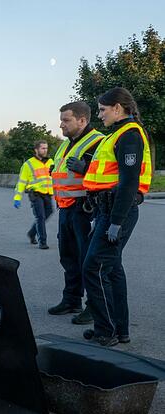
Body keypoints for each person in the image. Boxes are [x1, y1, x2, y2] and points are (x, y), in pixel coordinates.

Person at [81, 87, 152, 346]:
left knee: (94, 268)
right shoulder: (118, 134)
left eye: (102, 109)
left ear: (117, 108)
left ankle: (106, 330)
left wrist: (115, 222)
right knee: (111, 270)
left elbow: (129, 183)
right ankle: (120, 329)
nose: (99, 115)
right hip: (107, 210)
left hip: (116, 212)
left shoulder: (130, 135)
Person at [47, 102, 105, 324]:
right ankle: (71, 299)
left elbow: (108, 173)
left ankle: (94, 307)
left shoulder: (98, 142)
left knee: (87, 260)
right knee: (69, 257)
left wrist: (86, 168)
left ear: (82, 120)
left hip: (86, 208)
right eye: (61, 119)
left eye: (66, 120)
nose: (61, 124)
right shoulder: (66, 144)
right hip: (66, 208)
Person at [13, 140, 55, 249]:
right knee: (40, 217)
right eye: (43, 148)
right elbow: (21, 182)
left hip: (47, 193)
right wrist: (17, 198)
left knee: (49, 212)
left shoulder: (51, 162)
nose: (45, 150)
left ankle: (32, 233)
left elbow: (55, 178)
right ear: (36, 150)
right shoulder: (28, 164)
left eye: (46, 148)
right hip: (35, 194)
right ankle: (43, 242)